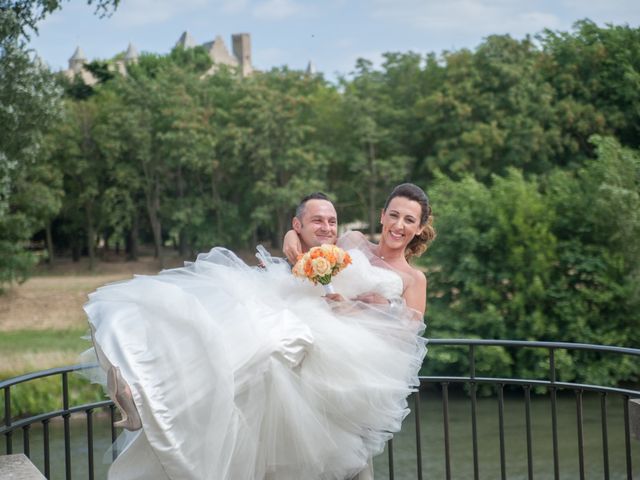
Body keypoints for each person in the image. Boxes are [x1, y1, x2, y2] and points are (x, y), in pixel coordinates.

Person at [83, 183, 434, 480]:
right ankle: (142, 390)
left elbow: (407, 333)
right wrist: (291, 235)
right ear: (382, 215)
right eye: (394, 215)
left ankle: (154, 405)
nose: (398, 225)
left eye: (409, 220)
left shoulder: (414, 279)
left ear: (419, 228)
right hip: (311, 313)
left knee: (277, 347)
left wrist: (361, 306)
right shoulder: (354, 241)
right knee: (231, 329)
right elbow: (312, 238)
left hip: (349, 355)